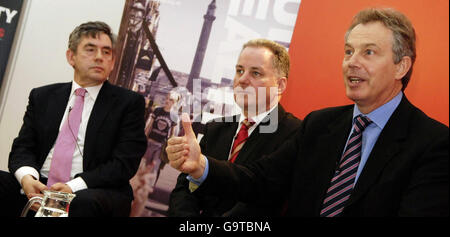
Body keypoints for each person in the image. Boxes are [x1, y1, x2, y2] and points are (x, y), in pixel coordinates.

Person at [166, 8, 449, 216]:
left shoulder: (433, 144)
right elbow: (262, 181)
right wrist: (201, 166)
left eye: (369, 52)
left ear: (402, 66)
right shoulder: (320, 124)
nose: (352, 62)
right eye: (349, 51)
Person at [0, 21, 147, 217]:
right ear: (71, 57)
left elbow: (123, 164)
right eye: (90, 49)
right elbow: (22, 148)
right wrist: (28, 178)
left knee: (83, 204)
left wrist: (72, 187)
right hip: (39, 185)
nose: (99, 57)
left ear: (112, 62)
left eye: (106, 52)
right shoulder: (42, 96)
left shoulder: (128, 103)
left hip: (89, 189)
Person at [168, 39, 302, 217]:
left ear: (280, 85)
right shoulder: (215, 129)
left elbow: (264, 195)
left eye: (255, 73)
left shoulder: (295, 133)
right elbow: (185, 189)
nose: (242, 80)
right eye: (239, 70)